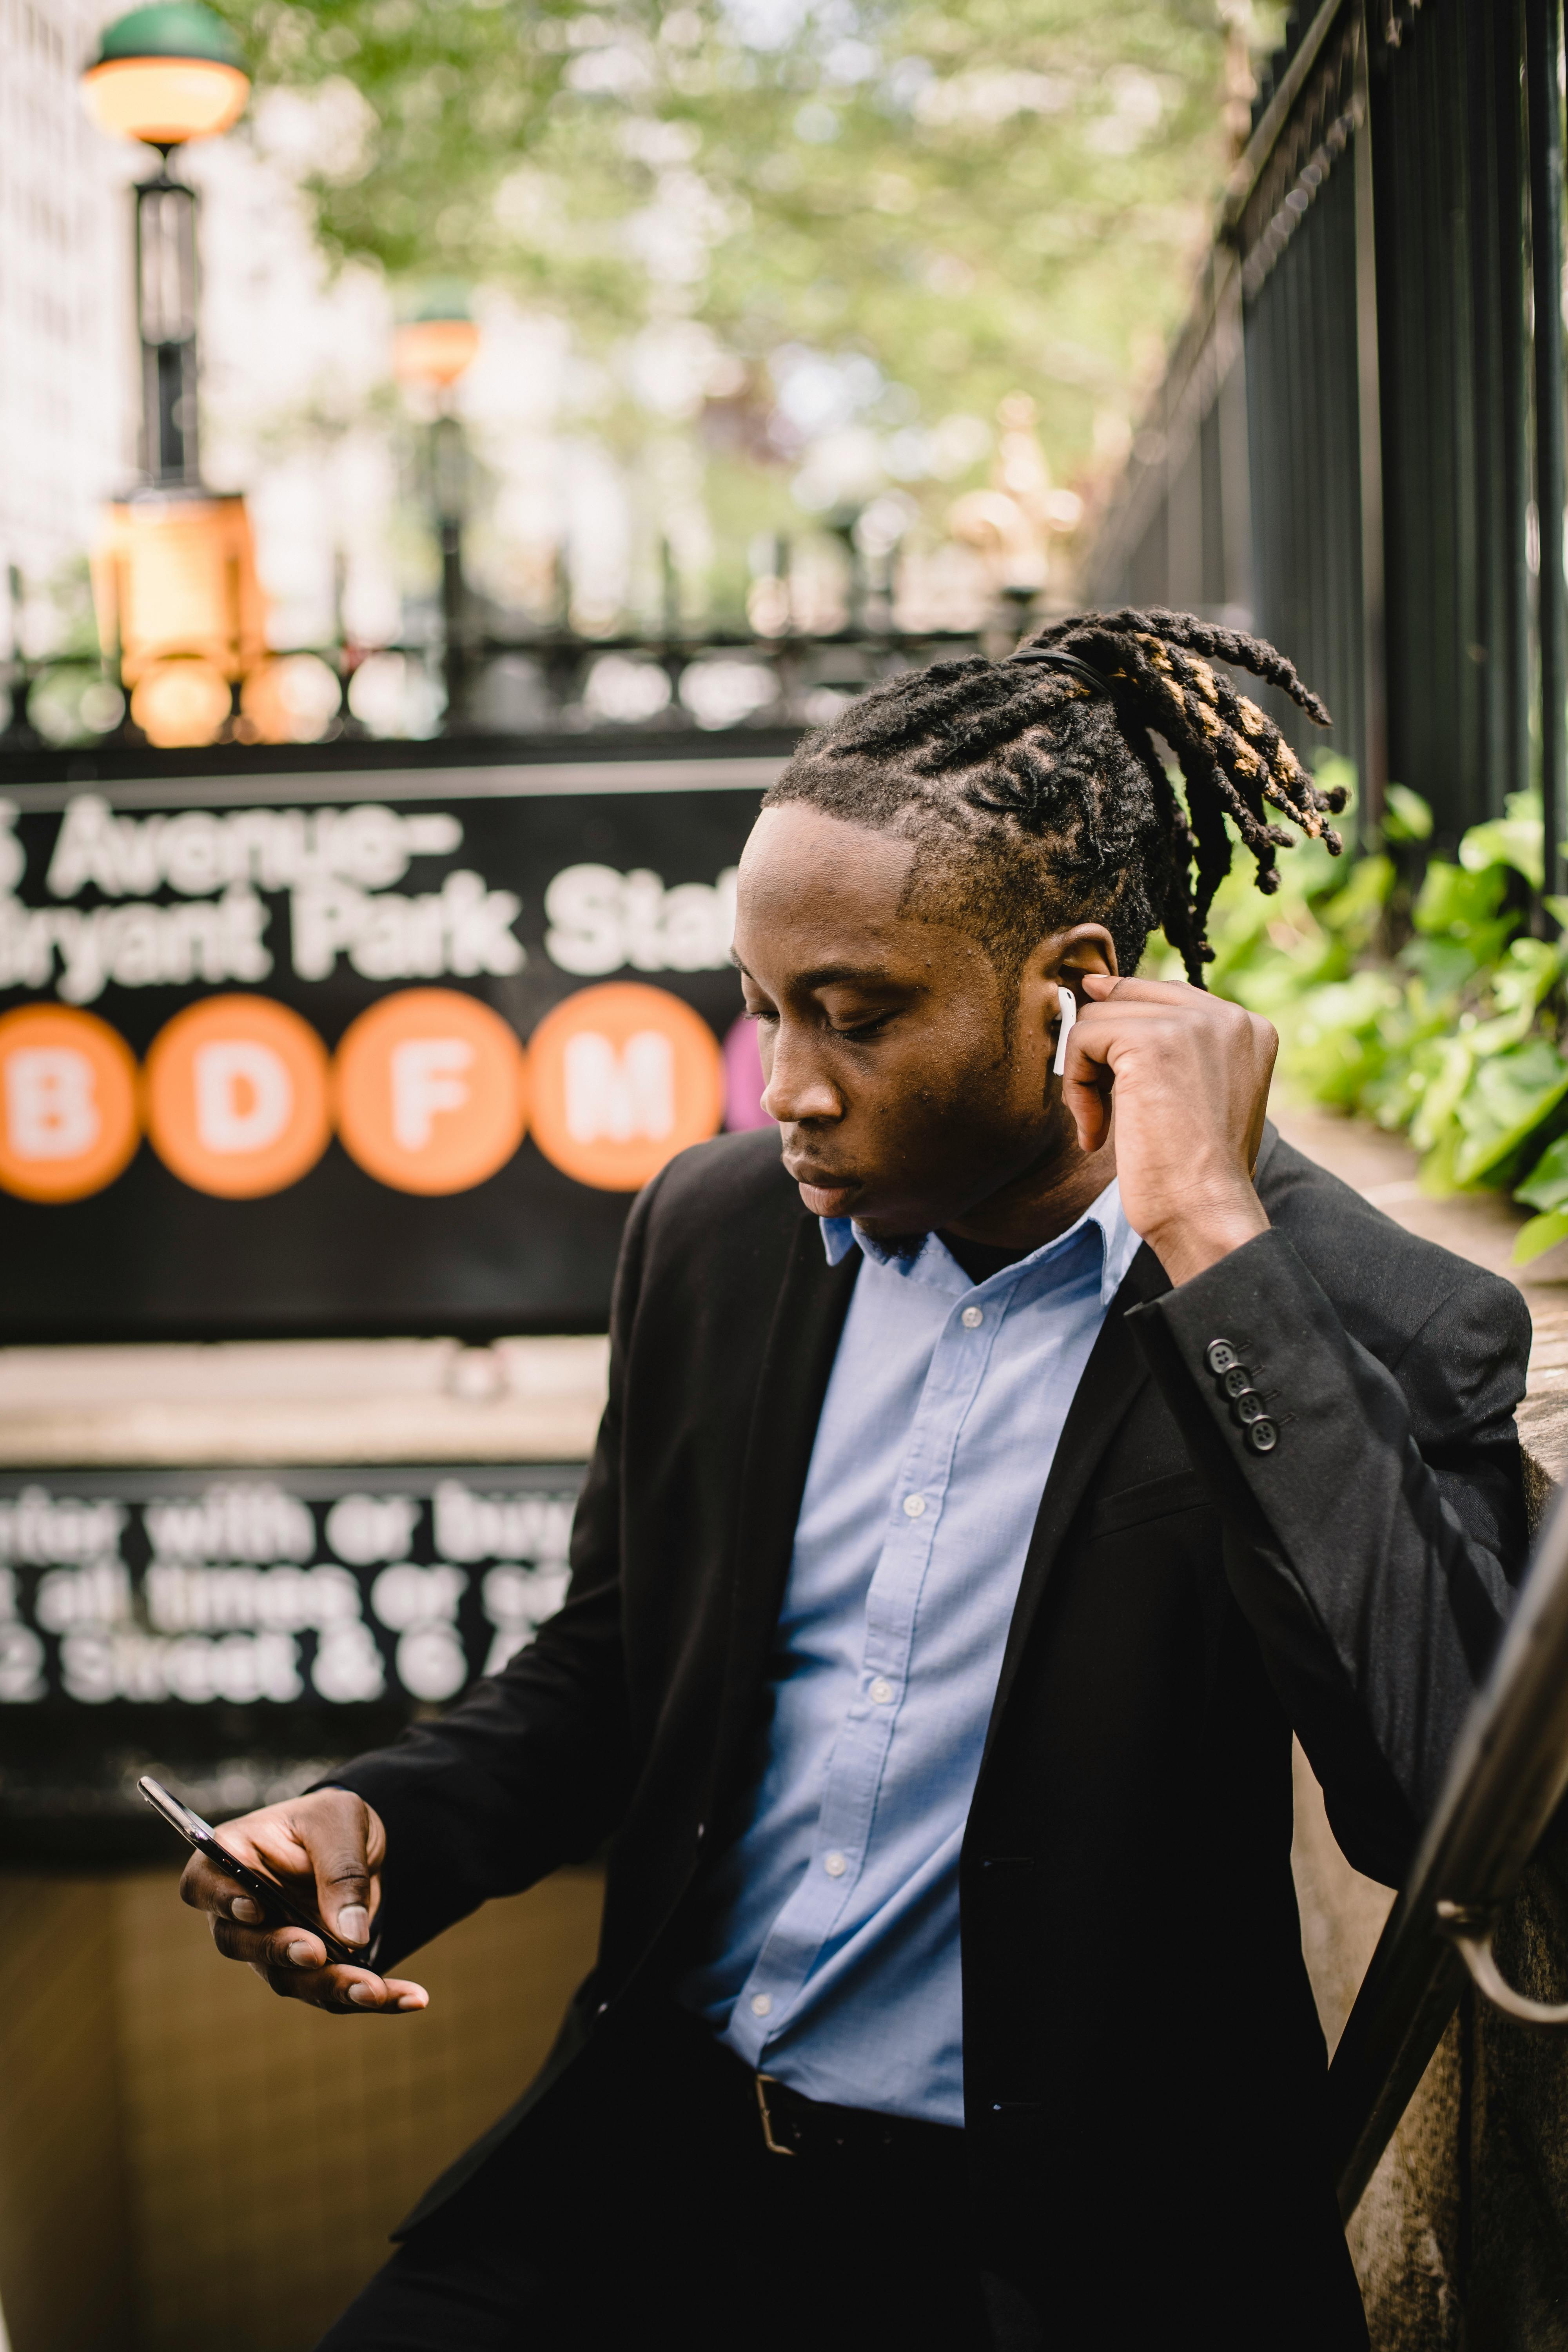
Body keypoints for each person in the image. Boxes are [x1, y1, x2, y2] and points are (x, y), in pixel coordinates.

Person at [180, 610, 1529, 2351]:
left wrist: (1208, 1238)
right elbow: (606, 1670)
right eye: (760, 1011)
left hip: (1051, 2258)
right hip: (645, 2178)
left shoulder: (1344, 1312)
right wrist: (380, 1824)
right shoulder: (715, 1232)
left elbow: (1439, 1810)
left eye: (855, 1017)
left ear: (1072, 985)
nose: (787, 1089)